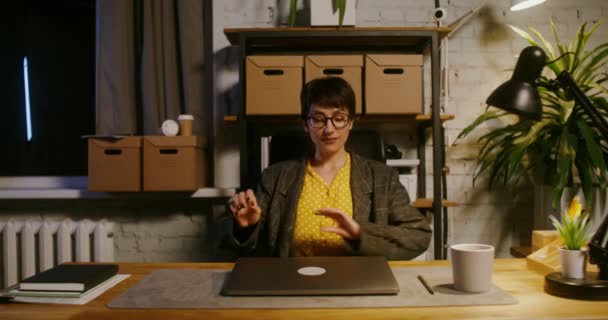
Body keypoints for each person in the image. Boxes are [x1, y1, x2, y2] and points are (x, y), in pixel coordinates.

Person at [224, 77, 431, 260]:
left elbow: (418, 236)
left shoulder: (382, 178)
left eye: (339, 118)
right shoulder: (275, 177)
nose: (329, 129)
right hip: (291, 285)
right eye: (318, 119)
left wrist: (361, 233)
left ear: (351, 123)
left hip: (359, 285)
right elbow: (247, 249)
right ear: (305, 124)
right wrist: (247, 228)